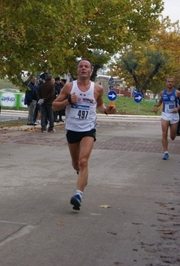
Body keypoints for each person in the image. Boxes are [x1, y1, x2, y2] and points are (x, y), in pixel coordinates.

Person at [52, 58, 117, 211]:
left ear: (91, 71)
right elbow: (54, 106)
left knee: (83, 161)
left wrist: (107, 110)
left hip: (88, 128)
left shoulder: (97, 89)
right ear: (77, 70)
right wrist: (67, 101)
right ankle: (82, 176)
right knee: (76, 163)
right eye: (81, 66)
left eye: (86, 66)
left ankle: (78, 195)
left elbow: (100, 105)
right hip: (72, 128)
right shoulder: (69, 87)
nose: (83, 68)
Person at [153, 77, 180, 160]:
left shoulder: (177, 93)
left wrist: (177, 109)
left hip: (174, 115)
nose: (170, 83)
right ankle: (165, 152)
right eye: (168, 81)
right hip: (165, 114)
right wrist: (156, 106)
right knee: (164, 133)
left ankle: (173, 135)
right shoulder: (162, 93)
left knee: (172, 137)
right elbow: (160, 101)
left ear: (174, 83)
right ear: (166, 83)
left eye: (171, 82)